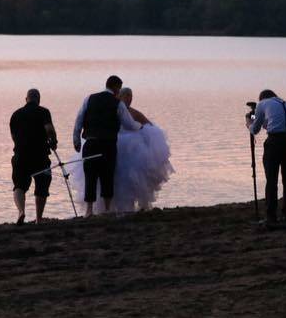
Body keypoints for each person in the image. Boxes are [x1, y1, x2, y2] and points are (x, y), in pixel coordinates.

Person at [69, 87, 173, 213]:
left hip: (126, 150)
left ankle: (121, 207)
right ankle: (98, 208)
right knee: (99, 178)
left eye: (131, 97)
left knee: (120, 179)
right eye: (126, 96)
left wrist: (142, 131)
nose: (129, 99)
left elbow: (148, 125)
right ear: (119, 96)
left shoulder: (134, 112)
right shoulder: (114, 108)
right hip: (110, 144)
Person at [73, 75, 142, 217]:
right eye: (119, 88)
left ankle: (89, 210)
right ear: (116, 87)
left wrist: (76, 140)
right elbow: (129, 124)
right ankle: (107, 208)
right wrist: (140, 127)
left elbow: (79, 120)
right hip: (107, 145)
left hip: (90, 143)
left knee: (90, 176)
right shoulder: (117, 104)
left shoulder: (89, 99)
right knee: (107, 176)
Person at [247, 89, 286, 223]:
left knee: (272, 179)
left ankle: (271, 216)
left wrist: (249, 123)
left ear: (261, 99)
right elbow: (274, 124)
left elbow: (255, 130)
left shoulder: (262, 104)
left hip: (275, 142)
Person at [9, 88, 57, 225]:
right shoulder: (43, 112)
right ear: (38, 100)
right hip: (40, 155)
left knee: (19, 185)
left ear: (26, 99)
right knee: (42, 185)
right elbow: (49, 129)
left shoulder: (15, 115)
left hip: (20, 156)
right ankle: (38, 218)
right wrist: (53, 142)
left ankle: (21, 211)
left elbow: (13, 137)